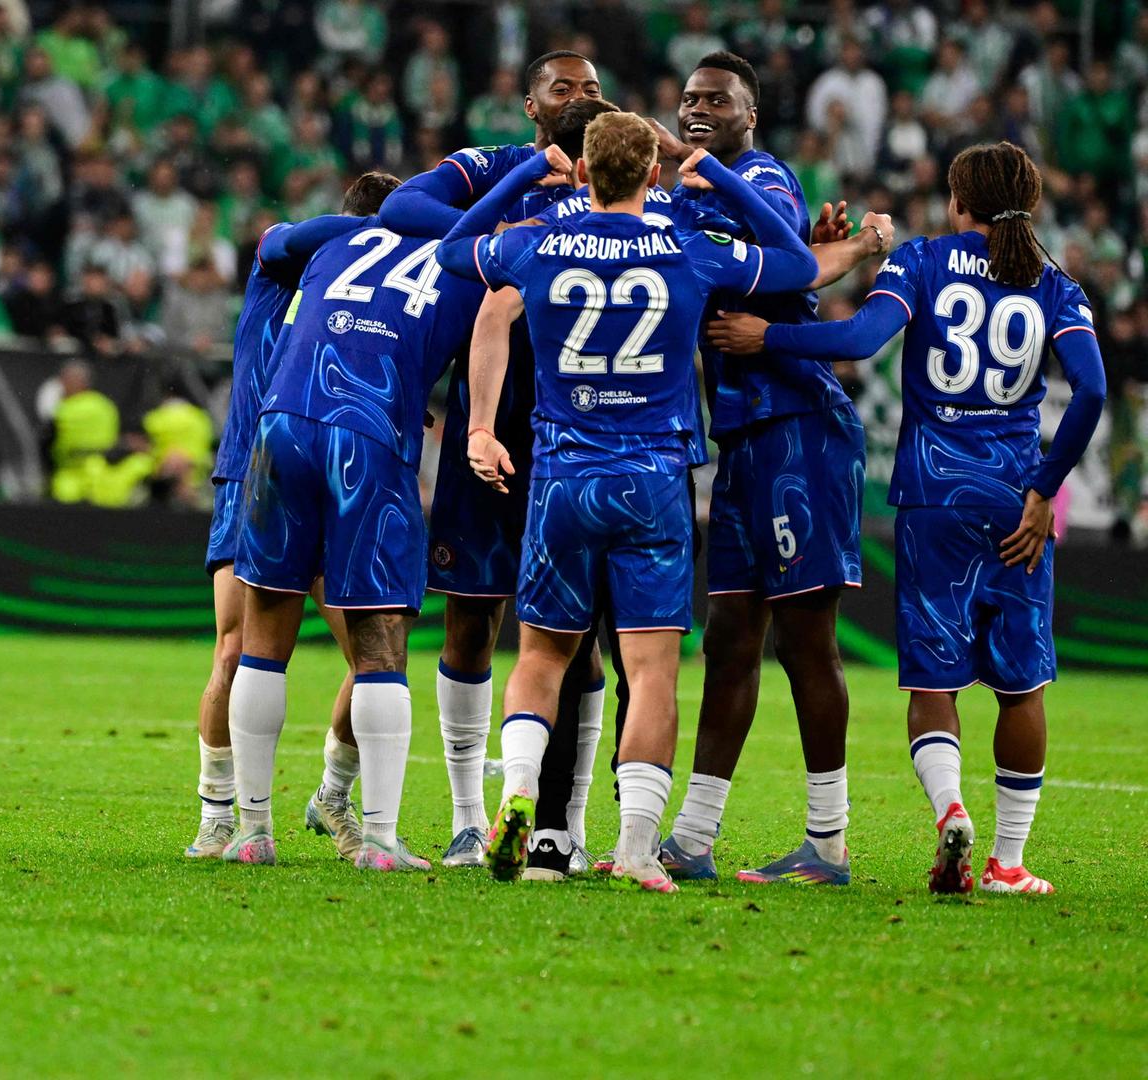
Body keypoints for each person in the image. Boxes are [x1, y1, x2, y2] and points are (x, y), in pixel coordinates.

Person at [706, 142, 1107, 896]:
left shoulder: (922, 260)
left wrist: (769, 337)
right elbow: (1091, 390)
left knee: (935, 684)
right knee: (1023, 688)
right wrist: (1045, 488)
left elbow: (859, 341)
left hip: (933, 499)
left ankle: (950, 809)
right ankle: (1008, 862)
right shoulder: (1057, 286)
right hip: (1017, 503)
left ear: (959, 202)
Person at [440, 113, 818, 892]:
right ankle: (640, 849)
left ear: (583, 172)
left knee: (542, 656)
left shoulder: (539, 241)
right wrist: (721, 175)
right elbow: (799, 262)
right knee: (649, 673)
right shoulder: (688, 245)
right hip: (653, 480)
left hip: (563, 477)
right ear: (653, 174)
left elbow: (453, 249)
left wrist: (523, 176)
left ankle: (517, 796)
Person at [379, 55, 615, 875]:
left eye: (591, 88)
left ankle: (566, 825)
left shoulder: (624, 180)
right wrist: (511, 199)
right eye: (564, 88)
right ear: (530, 106)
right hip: (492, 415)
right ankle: (467, 818)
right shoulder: (494, 167)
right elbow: (403, 207)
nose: (580, 97)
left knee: (577, 633)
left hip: (581, 423)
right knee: (471, 616)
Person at [650, 52, 874, 887]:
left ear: (750, 116)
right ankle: (694, 839)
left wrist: (840, 250)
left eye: (718, 100)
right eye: (689, 98)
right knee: (729, 637)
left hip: (798, 426)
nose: (698, 109)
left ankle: (828, 842)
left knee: (804, 639)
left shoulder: (764, 177)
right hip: (742, 437)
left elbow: (790, 253)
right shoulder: (687, 194)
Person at [225, 174, 488, 873]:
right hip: (368, 431)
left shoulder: (335, 242)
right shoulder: (465, 260)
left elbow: (285, 273)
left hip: (282, 423)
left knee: (264, 630)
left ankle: (251, 832)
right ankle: (378, 839)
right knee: (379, 642)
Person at [187, 187, 378, 863]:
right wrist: (384, 226)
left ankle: (332, 794)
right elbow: (279, 235)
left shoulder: (368, 307)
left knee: (373, 660)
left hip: (328, 480)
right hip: (251, 472)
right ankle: (218, 814)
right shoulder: (281, 265)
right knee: (235, 648)